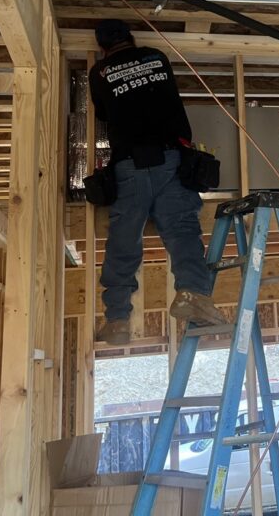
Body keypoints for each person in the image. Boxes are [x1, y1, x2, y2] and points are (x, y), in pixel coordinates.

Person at [89, 19, 224, 345]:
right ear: (131, 39)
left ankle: (118, 320)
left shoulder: (99, 73)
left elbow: (104, 115)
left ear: (103, 48)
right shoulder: (157, 57)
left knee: (123, 240)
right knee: (181, 229)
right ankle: (192, 294)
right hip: (170, 159)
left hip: (129, 166)